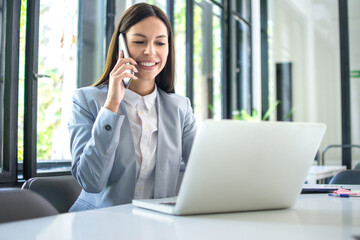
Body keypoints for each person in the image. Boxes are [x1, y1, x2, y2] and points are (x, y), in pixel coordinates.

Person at [68, 3, 197, 212]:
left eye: (160, 43)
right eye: (139, 41)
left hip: (156, 227)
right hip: (96, 225)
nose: (150, 51)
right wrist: (111, 106)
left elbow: (205, 169)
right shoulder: (85, 101)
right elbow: (91, 181)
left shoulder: (180, 108)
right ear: (122, 45)